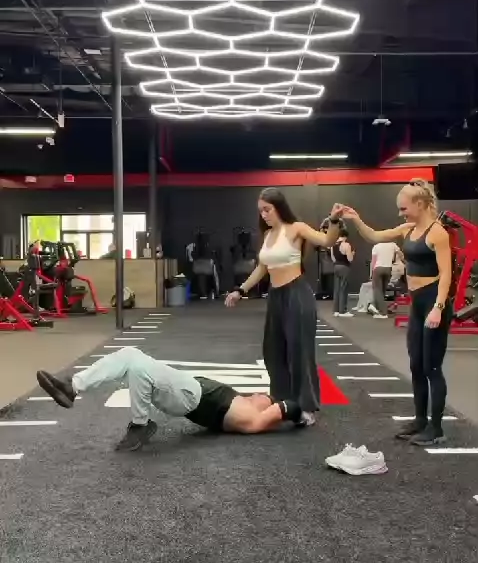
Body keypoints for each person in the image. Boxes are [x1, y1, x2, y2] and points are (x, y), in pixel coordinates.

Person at [343, 178, 453, 446]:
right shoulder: (408, 229)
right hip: (417, 303)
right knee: (416, 365)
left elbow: (446, 274)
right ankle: (420, 420)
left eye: (404, 208)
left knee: (432, 366)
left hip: (433, 301)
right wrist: (356, 219)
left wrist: (438, 308)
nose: (400, 213)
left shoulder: (438, 233)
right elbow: (374, 236)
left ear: (420, 204)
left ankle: (436, 428)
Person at [225, 188, 344, 425]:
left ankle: (306, 406)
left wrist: (333, 220)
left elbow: (327, 241)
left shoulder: (296, 228)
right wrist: (240, 290)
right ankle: (284, 402)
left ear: (279, 207)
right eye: (261, 211)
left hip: (296, 294)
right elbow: (262, 268)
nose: (264, 215)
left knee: (299, 352)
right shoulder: (268, 235)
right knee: (273, 351)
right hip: (276, 296)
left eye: (267, 210)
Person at [36, 347, 305, 451]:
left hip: (192, 397)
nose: (260, 395)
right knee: (131, 358)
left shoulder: (251, 418)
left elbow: (287, 408)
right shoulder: (244, 404)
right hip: (190, 391)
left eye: (265, 398)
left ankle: (140, 425)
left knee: (136, 366)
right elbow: (274, 404)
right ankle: (73, 387)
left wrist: (299, 415)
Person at [369, 240, 401, 318]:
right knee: (382, 290)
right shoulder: (393, 245)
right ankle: (377, 308)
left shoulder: (376, 246)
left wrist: (371, 274)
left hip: (378, 269)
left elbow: (373, 261)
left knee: (377, 290)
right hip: (388, 269)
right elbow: (401, 254)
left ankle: (382, 313)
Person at [331, 229, 354, 317]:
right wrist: (352, 254)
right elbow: (350, 259)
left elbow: (333, 258)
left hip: (336, 267)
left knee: (336, 289)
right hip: (344, 267)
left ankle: (336, 310)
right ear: (345, 236)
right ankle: (342, 311)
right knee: (343, 288)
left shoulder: (333, 245)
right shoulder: (346, 245)